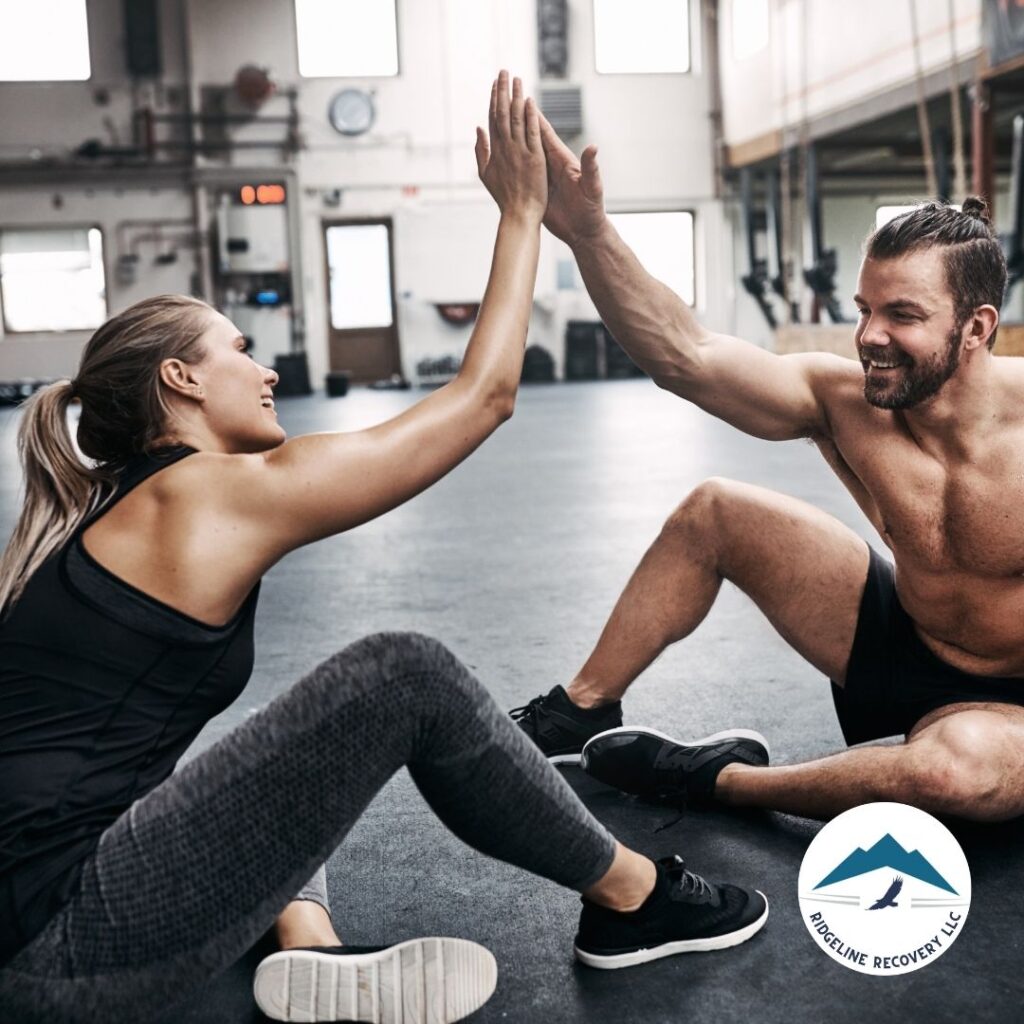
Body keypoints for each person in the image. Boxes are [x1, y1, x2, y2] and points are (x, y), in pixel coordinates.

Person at [0, 75, 766, 1024]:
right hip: (60, 948)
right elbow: (481, 399)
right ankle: (636, 901)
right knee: (403, 675)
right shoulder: (198, 498)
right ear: (181, 379)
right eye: (239, 348)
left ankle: (309, 951)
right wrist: (526, 216)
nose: (265, 364)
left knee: (267, 748)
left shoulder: (113, 510)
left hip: (46, 919)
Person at [514, 113, 1024, 826]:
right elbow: (684, 357)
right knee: (715, 510)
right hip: (896, 644)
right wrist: (587, 233)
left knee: (956, 773)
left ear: (976, 327)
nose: (870, 337)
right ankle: (581, 711)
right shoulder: (844, 400)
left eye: (902, 315)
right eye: (864, 310)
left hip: (1010, 705)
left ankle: (716, 779)